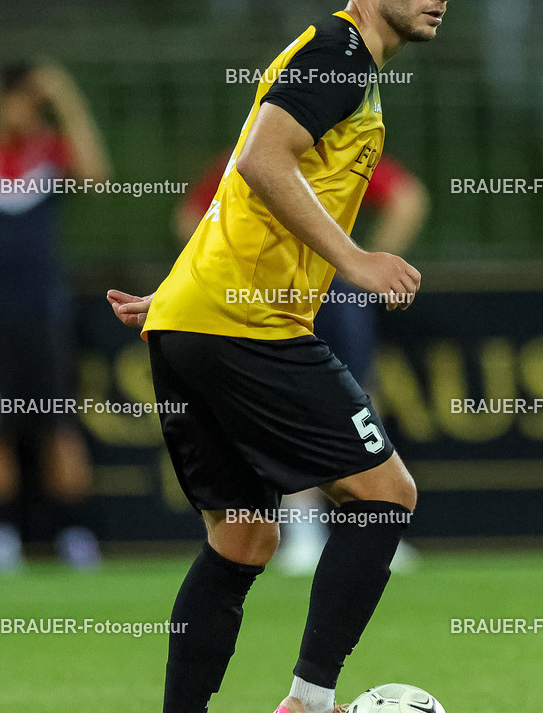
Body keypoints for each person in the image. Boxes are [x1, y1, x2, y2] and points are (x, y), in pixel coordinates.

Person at [108, 0, 468, 713]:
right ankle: (307, 709)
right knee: (385, 492)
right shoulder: (339, 50)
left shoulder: (343, 62)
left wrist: (174, 290)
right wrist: (351, 259)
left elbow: (239, 180)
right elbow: (262, 161)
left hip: (199, 316)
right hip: (245, 325)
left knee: (242, 537)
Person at [176, 152, 430, 574]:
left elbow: (407, 198)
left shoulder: (339, 153)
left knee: (356, 399)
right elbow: (190, 217)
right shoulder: (254, 154)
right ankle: (308, 530)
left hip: (327, 291)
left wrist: (363, 264)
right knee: (290, 405)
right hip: (275, 296)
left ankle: (375, 524)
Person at [0, 62, 110, 569]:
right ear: (2, 99)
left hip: (44, 318)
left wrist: (67, 97)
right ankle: (1, 538)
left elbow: (97, 176)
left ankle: (75, 536)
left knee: (57, 425)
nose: (30, 111)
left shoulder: (47, 153)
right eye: (25, 99)